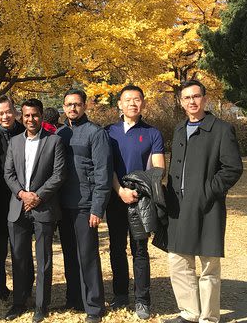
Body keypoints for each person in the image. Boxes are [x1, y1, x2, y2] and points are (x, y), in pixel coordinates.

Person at [162, 79, 243, 323]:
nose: (192, 101)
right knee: (178, 259)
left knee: (208, 264)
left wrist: (207, 192)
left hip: (208, 206)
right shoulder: (178, 129)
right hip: (178, 206)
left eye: (196, 96)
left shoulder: (221, 129)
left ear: (205, 99)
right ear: (181, 102)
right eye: (186, 98)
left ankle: (208, 317)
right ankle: (189, 312)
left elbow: (232, 169)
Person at [105, 85, 165, 320]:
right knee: (116, 248)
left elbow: (159, 169)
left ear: (143, 103)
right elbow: (106, 166)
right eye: (127, 100)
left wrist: (138, 190)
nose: (132, 103)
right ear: (119, 104)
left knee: (139, 250)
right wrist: (120, 190)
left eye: (137, 99)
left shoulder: (152, 133)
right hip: (116, 198)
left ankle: (142, 300)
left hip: (141, 201)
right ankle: (120, 294)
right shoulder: (108, 132)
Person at [3, 98, 66, 323]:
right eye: (27, 115)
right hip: (18, 208)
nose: (31, 119)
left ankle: (41, 304)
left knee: (44, 258)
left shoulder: (54, 141)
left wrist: (37, 197)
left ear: (41, 116)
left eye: (35, 115)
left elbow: (59, 174)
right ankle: (19, 302)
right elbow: (8, 173)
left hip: (44, 207)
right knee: (19, 258)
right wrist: (22, 194)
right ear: (22, 116)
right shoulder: (15, 142)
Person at [57, 89, 112, 323]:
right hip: (63, 205)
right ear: (63, 106)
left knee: (88, 255)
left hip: (85, 205)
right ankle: (74, 298)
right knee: (69, 254)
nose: (73, 109)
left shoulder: (96, 133)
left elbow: (103, 173)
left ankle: (94, 305)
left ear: (85, 106)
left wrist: (97, 208)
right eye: (69, 105)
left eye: (77, 104)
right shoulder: (59, 134)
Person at [0, 94, 25, 302]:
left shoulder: (25, 130)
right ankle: (0, 288)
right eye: (0, 113)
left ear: (14, 110)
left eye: (8, 111)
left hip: (22, 197)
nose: (5, 116)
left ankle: (24, 285)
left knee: (22, 246)